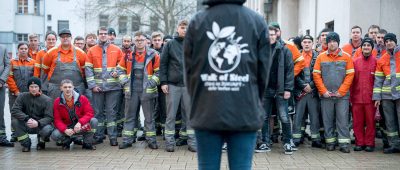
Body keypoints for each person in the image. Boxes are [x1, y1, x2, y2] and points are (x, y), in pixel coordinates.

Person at [184, 0, 270, 169]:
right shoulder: (256, 21)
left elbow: (189, 71)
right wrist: (253, 99)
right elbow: (263, 72)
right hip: (245, 110)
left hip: (206, 109)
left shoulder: (197, 21)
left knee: (207, 166)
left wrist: (200, 98)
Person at [117, 32, 161, 149]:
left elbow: (159, 71)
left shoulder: (153, 55)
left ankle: (151, 140)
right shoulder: (128, 55)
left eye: (142, 39)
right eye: (137, 40)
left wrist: (151, 83)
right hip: (132, 91)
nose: (139, 42)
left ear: (147, 41)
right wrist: (125, 81)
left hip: (147, 90)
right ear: (134, 41)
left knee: (149, 117)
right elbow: (120, 70)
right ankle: (127, 140)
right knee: (129, 116)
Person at [313, 32, 354, 153]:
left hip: (342, 96)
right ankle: (330, 142)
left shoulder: (346, 57)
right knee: (327, 119)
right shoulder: (321, 57)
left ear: (338, 42)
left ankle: (344, 144)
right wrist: (323, 91)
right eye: (329, 41)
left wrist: (341, 91)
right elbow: (316, 75)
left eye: (334, 41)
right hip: (326, 95)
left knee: (342, 120)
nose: (332, 43)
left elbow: (350, 75)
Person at [255, 26, 294, 154]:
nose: (270, 36)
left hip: (281, 90)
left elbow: (289, 71)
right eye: (268, 34)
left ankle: (288, 142)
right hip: (265, 90)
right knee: (264, 117)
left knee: (284, 117)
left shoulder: (284, 50)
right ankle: (265, 143)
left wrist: (288, 88)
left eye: (272, 34)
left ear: (276, 35)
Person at [160, 20, 197, 152]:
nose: (184, 30)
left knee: (190, 115)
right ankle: (169, 142)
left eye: (187, 28)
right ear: (177, 29)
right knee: (171, 115)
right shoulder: (170, 44)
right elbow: (163, 64)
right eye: (182, 28)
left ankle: (192, 142)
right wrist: (163, 82)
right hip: (172, 85)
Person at [85, 26, 123, 146]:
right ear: (98, 35)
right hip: (98, 88)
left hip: (113, 88)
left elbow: (122, 65)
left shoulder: (116, 49)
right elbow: (88, 69)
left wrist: (118, 71)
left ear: (108, 35)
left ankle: (113, 137)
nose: (103, 35)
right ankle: (99, 136)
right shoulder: (91, 51)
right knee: (98, 112)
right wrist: (92, 86)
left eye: (105, 33)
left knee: (112, 112)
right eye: (101, 33)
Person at [292, 35, 322, 148]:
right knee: (298, 116)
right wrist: (303, 85)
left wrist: (311, 85)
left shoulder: (318, 57)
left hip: (313, 92)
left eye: (309, 42)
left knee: (314, 116)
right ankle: (296, 138)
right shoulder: (296, 56)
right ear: (302, 44)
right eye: (305, 42)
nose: (307, 44)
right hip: (300, 91)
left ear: (312, 44)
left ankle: (315, 139)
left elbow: (320, 73)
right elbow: (293, 73)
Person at [51, 79, 97, 150]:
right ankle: (67, 140)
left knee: (94, 121)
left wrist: (80, 122)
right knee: (55, 135)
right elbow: (57, 120)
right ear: (61, 88)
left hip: (80, 126)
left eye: (69, 87)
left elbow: (89, 113)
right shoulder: (57, 102)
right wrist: (65, 129)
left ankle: (87, 142)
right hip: (67, 127)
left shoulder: (82, 98)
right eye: (65, 87)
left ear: (73, 87)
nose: (67, 89)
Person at [373, 33, 400, 154]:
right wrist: (377, 97)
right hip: (387, 96)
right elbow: (378, 80)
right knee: (390, 122)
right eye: (387, 41)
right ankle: (394, 145)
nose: (389, 42)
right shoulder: (382, 59)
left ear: (395, 41)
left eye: (391, 40)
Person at [11, 77, 54, 152]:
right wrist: (26, 118)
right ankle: (26, 143)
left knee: (48, 129)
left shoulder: (47, 100)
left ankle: (41, 141)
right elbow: (15, 110)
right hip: (26, 123)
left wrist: (38, 123)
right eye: (31, 87)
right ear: (28, 87)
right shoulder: (22, 96)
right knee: (15, 122)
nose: (33, 89)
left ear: (39, 87)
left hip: (40, 125)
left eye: (36, 87)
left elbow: (49, 117)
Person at [42, 29, 87, 100]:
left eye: (67, 36)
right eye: (63, 37)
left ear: (71, 38)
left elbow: (84, 71)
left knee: (77, 109)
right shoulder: (50, 52)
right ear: (60, 38)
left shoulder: (81, 53)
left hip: (77, 88)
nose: (65, 38)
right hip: (55, 89)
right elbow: (45, 69)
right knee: (55, 109)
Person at [351, 38, 377, 152]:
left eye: (368, 45)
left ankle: (370, 143)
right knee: (357, 122)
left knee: (371, 123)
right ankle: (359, 143)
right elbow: (351, 81)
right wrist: (350, 98)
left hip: (371, 99)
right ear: (361, 47)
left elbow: (378, 81)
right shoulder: (355, 62)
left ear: (372, 47)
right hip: (356, 99)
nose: (366, 47)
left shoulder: (377, 62)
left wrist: (377, 97)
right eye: (364, 45)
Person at [7, 42, 36, 109]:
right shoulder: (12, 62)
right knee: (14, 113)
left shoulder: (33, 62)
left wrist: (32, 90)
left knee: (28, 114)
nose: (23, 50)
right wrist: (15, 90)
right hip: (14, 93)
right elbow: (9, 77)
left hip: (29, 93)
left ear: (28, 50)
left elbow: (35, 77)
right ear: (18, 49)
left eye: (25, 48)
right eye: (21, 48)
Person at [34, 31, 57, 95]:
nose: (51, 41)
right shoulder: (40, 53)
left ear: (56, 40)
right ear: (45, 40)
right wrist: (36, 86)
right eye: (49, 39)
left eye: (53, 39)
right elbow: (36, 71)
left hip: (57, 85)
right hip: (44, 85)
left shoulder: (60, 53)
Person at [0, 45, 12, 147]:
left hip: (0, 86)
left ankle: (2, 137)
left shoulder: (3, 48)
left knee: (0, 112)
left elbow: (8, 65)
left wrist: (2, 80)